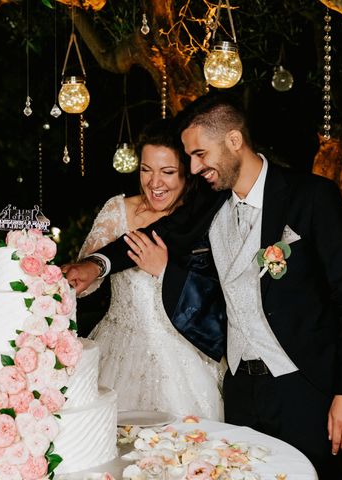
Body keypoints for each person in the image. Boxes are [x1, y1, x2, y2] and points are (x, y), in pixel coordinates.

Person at [63, 93, 342, 479]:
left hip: (302, 387)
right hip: (240, 391)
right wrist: (96, 264)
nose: (194, 167)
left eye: (199, 154)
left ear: (234, 141)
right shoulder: (212, 203)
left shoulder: (310, 197)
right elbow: (157, 233)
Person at [76, 119, 226, 421]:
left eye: (168, 172)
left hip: (185, 357)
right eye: (146, 170)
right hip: (118, 350)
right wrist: (85, 272)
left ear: (188, 172)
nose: (154, 183)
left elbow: (218, 292)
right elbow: (88, 280)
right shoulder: (118, 210)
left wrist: (166, 269)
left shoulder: (204, 216)